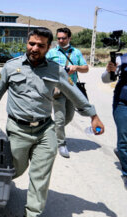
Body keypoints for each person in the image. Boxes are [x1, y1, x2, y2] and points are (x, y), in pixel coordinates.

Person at [0, 28, 104, 217]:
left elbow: (75, 94)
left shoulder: (56, 70)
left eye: (40, 45)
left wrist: (93, 115)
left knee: (40, 175)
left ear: (48, 48)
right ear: (27, 42)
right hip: (17, 129)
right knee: (15, 169)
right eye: (32, 44)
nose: (34, 48)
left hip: (45, 130)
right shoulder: (12, 66)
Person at [46, 28, 89, 158]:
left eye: (63, 38)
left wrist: (76, 67)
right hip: (57, 89)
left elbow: (86, 68)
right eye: (58, 38)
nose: (60, 40)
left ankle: (50, 132)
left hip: (72, 89)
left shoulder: (76, 53)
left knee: (69, 117)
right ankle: (61, 143)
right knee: (59, 118)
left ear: (69, 38)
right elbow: (43, 67)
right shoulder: (51, 52)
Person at [102, 55, 127, 189]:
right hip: (123, 103)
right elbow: (105, 80)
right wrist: (109, 71)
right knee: (124, 139)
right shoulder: (121, 59)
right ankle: (126, 172)